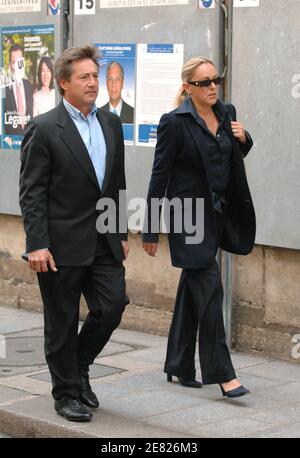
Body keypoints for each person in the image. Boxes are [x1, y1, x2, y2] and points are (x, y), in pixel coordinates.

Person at [19, 45, 129, 422]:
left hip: (103, 236)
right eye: (84, 77)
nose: (93, 83)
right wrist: (37, 244)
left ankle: (78, 367)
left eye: (95, 76)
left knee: (113, 305)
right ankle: (66, 393)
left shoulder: (111, 123)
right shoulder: (45, 127)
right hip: (59, 243)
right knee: (62, 320)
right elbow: (32, 191)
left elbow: (115, 181)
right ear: (64, 82)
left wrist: (120, 229)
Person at [142, 57, 255, 398]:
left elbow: (225, 158)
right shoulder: (174, 123)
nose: (212, 87)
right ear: (187, 87)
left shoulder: (226, 112)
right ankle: (223, 374)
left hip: (218, 215)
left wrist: (244, 138)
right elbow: (159, 176)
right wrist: (150, 229)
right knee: (210, 289)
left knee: (194, 289)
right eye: (204, 82)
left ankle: (178, 362)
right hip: (186, 218)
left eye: (215, 80)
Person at [4, 44, 33, 135]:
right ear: (10, 65)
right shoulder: (4, 89)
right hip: (11, 144)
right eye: (14, 62)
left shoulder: (29, 87)